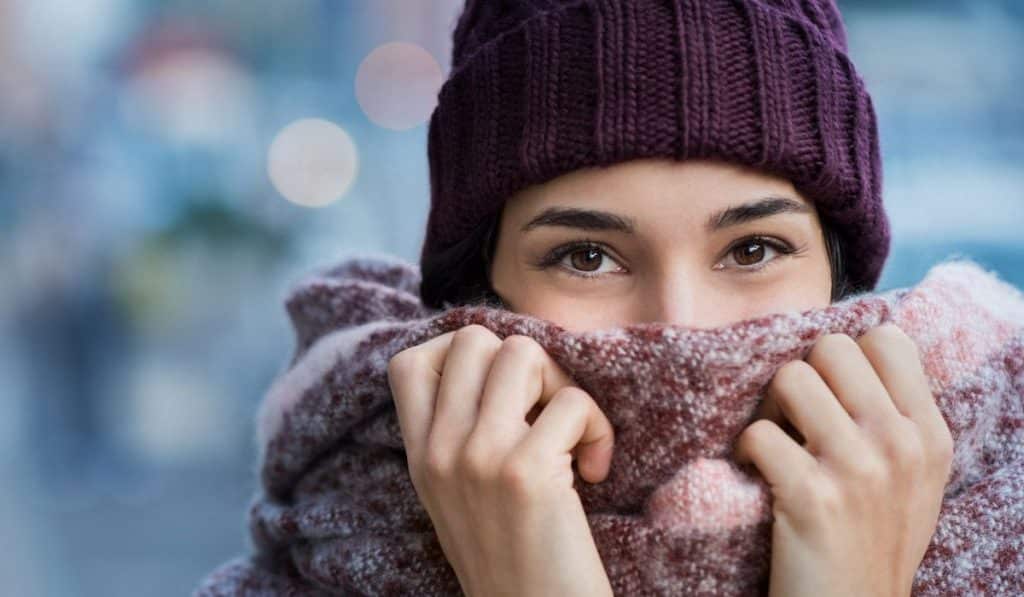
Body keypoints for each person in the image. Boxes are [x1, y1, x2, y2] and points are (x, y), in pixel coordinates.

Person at [385, 1, 955, 596]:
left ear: (839, 277)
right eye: (587, 257)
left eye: (753, 250)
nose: (680, 328)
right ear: (480, 288)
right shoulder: (318, 528)